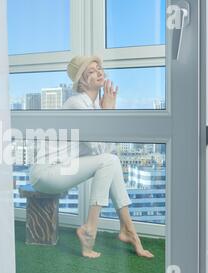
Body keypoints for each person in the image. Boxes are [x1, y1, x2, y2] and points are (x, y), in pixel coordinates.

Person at [29, 56, 154, 259]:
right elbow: (100, 151)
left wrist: (107, 111)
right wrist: (109, 111)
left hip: (63, 169)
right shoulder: (75, 103)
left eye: (100, 68)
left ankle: (128, 230)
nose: (99, 72)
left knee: (111, 161)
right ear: (81, 81)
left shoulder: (92, 107)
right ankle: (92, 230)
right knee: (109, 161)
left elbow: (107, 149)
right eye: (92, 70)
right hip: (46, 173)